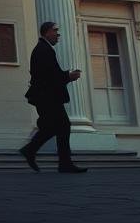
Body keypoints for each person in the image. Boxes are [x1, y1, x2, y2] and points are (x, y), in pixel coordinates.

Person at [19, 21, 87, 174]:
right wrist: (68, 76)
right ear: (46, 32)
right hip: (47, 97)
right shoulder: (43, 50)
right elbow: (50, 77)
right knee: (62, 126)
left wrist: (65, 75)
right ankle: (63, 163)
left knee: (52, 127)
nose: (58, 34)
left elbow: (49, 75)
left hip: (45, 97)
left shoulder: (43, 49)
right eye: (55, 30)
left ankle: (31, 150)